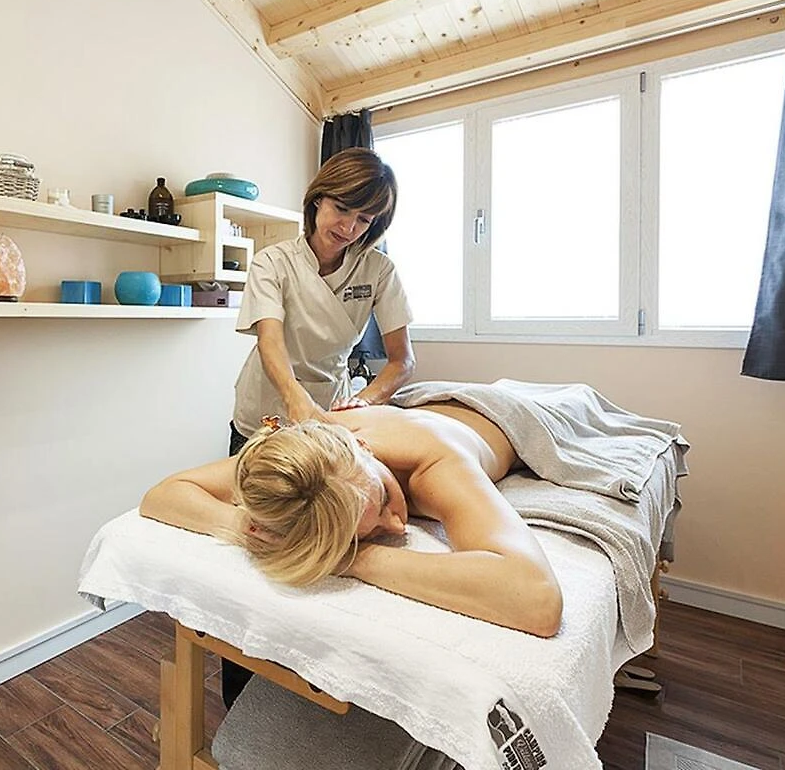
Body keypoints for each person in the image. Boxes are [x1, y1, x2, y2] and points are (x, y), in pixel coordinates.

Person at [141, 401, 564, 640]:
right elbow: (163, 495)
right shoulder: (311, 455)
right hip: (418, 402)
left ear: (364, 448)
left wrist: (350, 558)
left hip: (507, 410)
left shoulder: (437, 466)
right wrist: (258, 528)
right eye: (370, 533)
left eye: (384, 498)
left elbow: (537, 600)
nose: (397, 526)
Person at [229, 147, 415, 456]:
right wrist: (295, 398)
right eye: (342, 208)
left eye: (363, 219)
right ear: (318, 198)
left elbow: (402, 361)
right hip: (266, 410)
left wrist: (363, 401)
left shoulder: (379, 270)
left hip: (333, 413)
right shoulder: (272, 262)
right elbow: (270, 340)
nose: (348, 228)